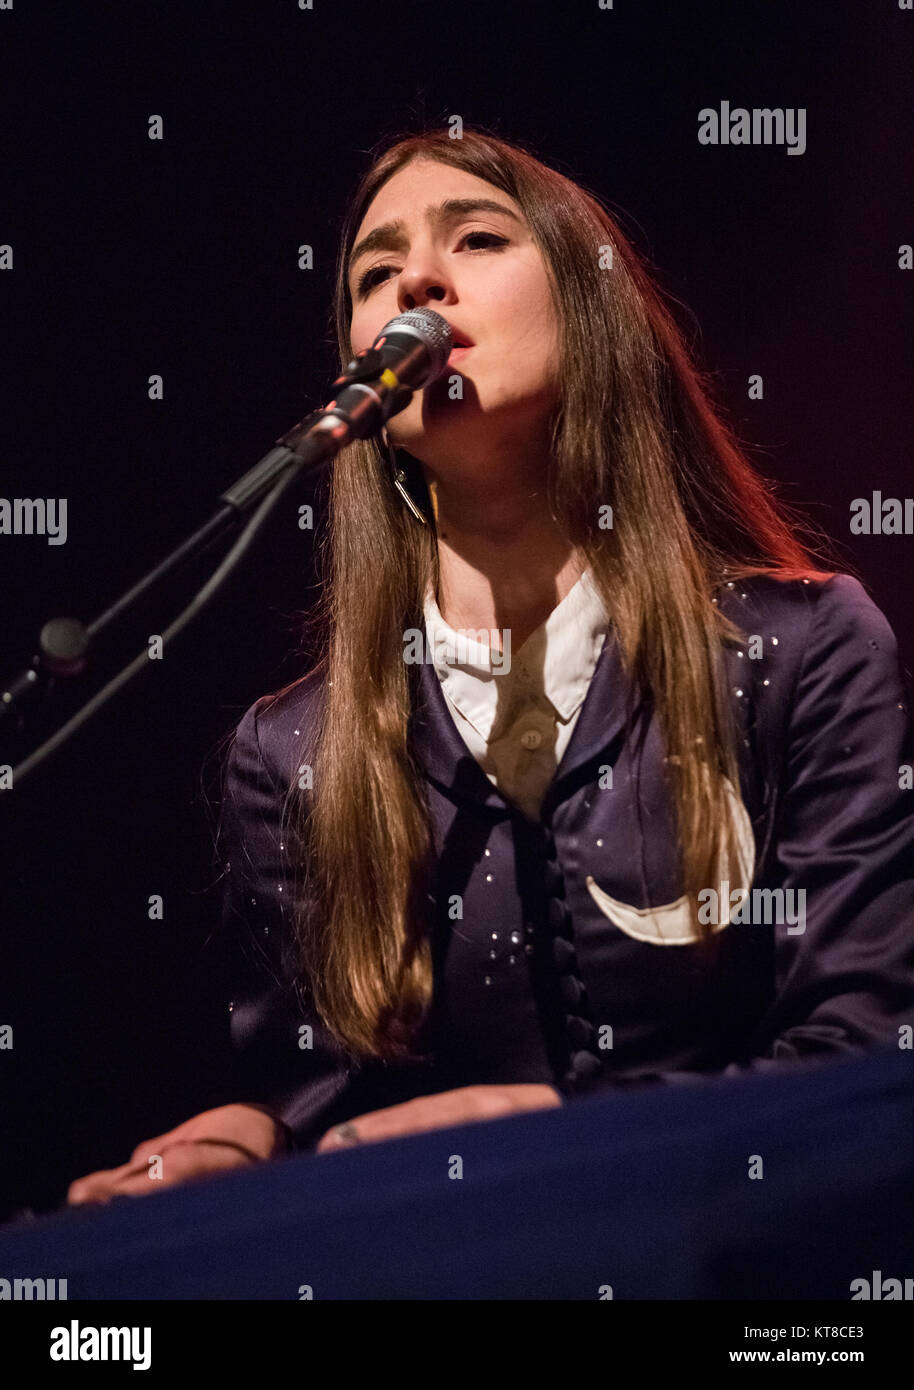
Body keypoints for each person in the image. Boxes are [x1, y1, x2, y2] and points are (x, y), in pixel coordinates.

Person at [68, 128, 914, 1206]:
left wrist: (565, 1134)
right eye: (374, 272)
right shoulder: (289, 754)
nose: (414, 278)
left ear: (591, 306)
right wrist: (243, 1144)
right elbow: (315, 1085)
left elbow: (865, 1050)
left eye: (474, 238)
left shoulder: (799, 653)